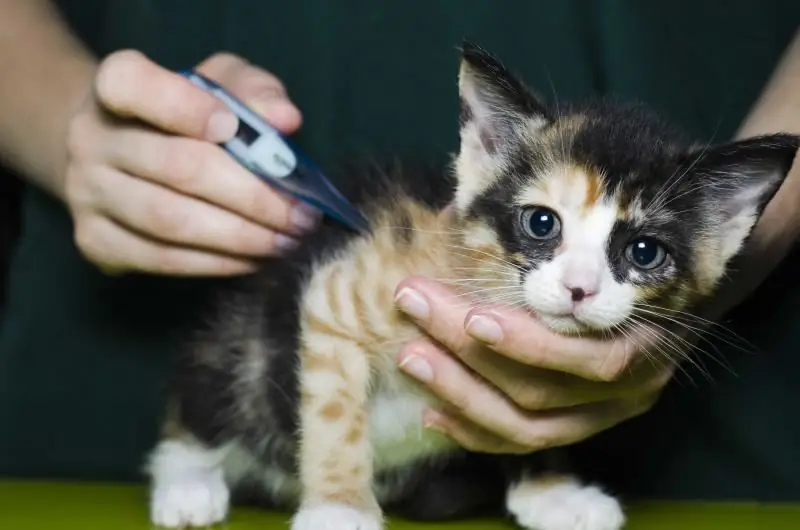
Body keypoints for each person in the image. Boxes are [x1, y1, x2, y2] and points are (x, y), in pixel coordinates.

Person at [0, 0, 799, 501]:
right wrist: (64, 112)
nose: (581, 282)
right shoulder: (435, 242)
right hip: (83, 416)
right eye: (545, 229)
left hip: (722, 479)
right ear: (484, 149)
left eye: (644, 251)